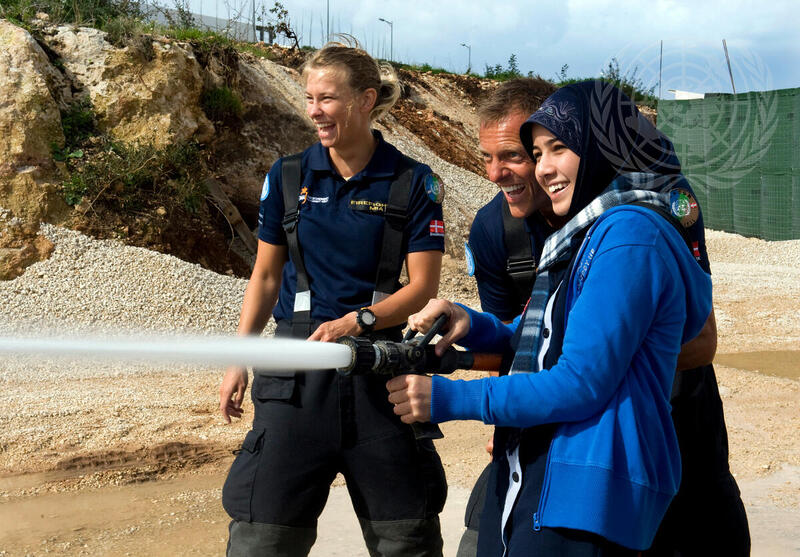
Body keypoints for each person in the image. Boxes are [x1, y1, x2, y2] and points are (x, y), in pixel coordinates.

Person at [387, 80, 714, 555]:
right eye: (536, 152)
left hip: (597, 469)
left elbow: (581, 379)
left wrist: (451, 399)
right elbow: (542, 340)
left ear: (601, 146)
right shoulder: (581, 232)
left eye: (556, 147)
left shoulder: (627, 234)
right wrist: (469, 324)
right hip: (545, 458)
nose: (541, 169)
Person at [462, 80, 749, 556]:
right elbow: (514, 353)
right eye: (489, 158)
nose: (497, 174)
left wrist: (596, 366)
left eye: (515, 155)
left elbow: (702, 340)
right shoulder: (495, 229)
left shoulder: (652, 205)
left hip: (671, 422)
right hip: (556, 440)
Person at [218, 41, 447, 557]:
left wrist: (359, 321)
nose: (315, 111)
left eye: (328, 99)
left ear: (366, 100)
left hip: (380, 379)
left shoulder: (413, 181)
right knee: (261, 539)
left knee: (406, 541)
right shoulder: (288, 175)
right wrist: (239, 358)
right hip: (294, 383)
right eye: (309, 98)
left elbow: (423, 288)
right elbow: (265, 277)